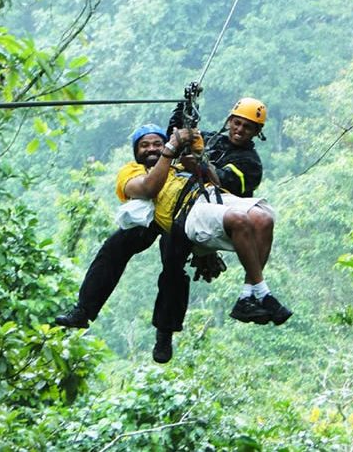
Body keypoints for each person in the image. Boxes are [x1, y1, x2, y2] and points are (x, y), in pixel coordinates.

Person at [56, 98, 287, 361]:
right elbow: (173, 147)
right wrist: (181, 122)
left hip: (189, 211)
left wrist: (198, 162)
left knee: (173, 268)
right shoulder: (139, 169)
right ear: (229, 121)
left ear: (257, 132)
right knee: (114, 249)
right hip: (157, 213)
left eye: (248, 127)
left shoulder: (249, 163)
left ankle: (164, 333)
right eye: (237, 123)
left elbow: (222, 183)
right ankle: (83, 311)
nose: (240, 130)